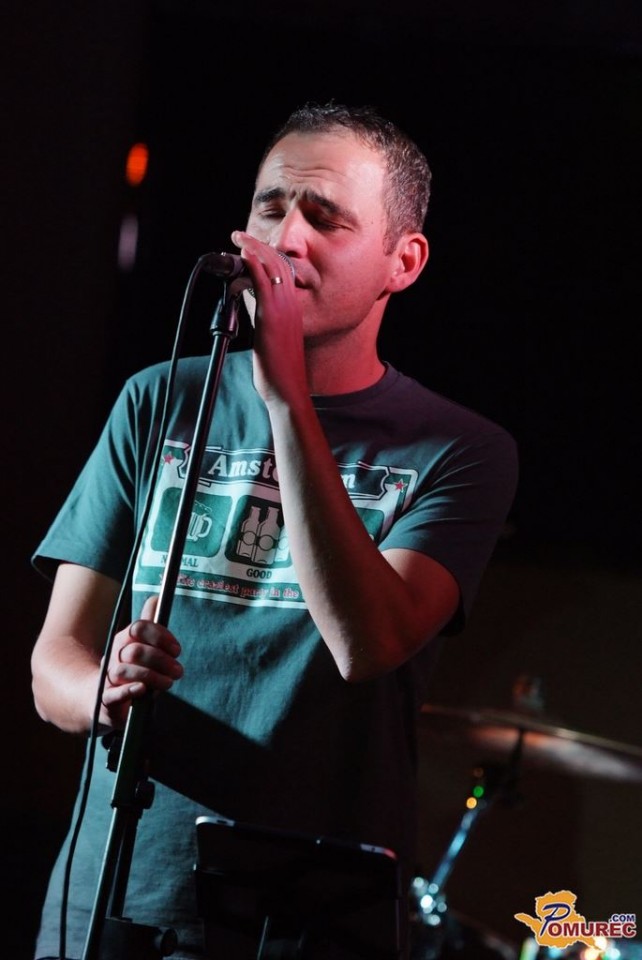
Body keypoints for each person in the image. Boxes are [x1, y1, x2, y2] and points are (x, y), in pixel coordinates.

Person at [30, 101, 518, 960]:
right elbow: (53, 665)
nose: (287, 238)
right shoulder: (158, 399)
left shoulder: (460, 450)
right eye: (270, 207)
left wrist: (287, 397)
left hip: (298, 919)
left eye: (325, 218)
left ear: (402, 262)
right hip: (111, 891)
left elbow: (368, 642)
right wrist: (101, 689)